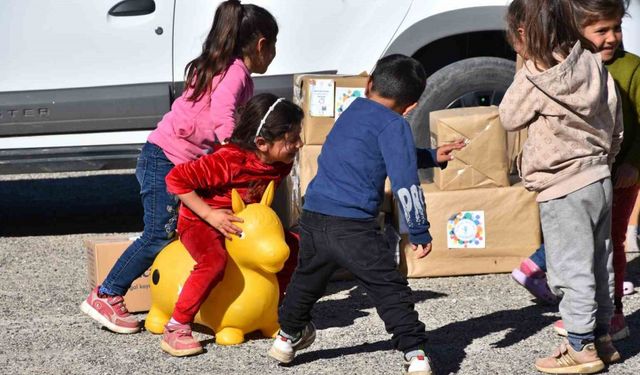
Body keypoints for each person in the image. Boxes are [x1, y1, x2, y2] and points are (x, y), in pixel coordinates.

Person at [80, 0, 279, 334]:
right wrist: (234, 150)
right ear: (262, 45)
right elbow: (222, 113)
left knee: (172, 230)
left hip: (169, 157)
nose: (273, 55)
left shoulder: (219, 66)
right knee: (159, 232)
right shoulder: (235, 73)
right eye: (274, 47)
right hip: (165, 159)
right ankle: (107, 293)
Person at [267, 54, 466, 375]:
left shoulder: (352, 112)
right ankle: (415, 354)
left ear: (369, 84)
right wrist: (419, 230)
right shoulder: (395, 125)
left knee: (307, 280)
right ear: (411, 106)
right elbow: (405, 182)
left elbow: (376, 152)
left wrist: (431, 156)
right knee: (389, 288)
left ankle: (286, 338)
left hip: (315, 217)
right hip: (354, 227)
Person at [500, 0, 624, 373]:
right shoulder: (590, 61)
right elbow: (615, 119)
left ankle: (580, 347)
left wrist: (525, 66)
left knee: (571, 270)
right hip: (599, 176)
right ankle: (603, 340)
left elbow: (509, 117)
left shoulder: (536, 72)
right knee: (599, 263)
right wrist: (607, 160)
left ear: (521, 34)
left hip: (562, 185)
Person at [159, 94, 304, 356]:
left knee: (294, 248)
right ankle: (177, 325)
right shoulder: (228, 161)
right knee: (213, 261)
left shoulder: (279, 161)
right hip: (201, 221)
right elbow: (175, 179)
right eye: (291, 140)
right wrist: (210, 215)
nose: (299, 144)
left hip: (242, 226)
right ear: (261, 143)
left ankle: (273, 307)